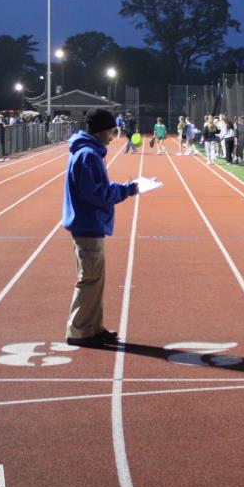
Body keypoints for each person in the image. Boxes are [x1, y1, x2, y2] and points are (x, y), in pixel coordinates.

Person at [63, 108, 140, 347]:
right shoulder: (88, 155)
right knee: (89, 280)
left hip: (89, 224)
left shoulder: (88, 152)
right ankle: (79, 331)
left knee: (95, 280)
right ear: (101, 132)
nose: (112, 137)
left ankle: (92, 327)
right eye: (112, 132)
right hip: (87, 224)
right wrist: (126, 190)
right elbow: (96, 193)